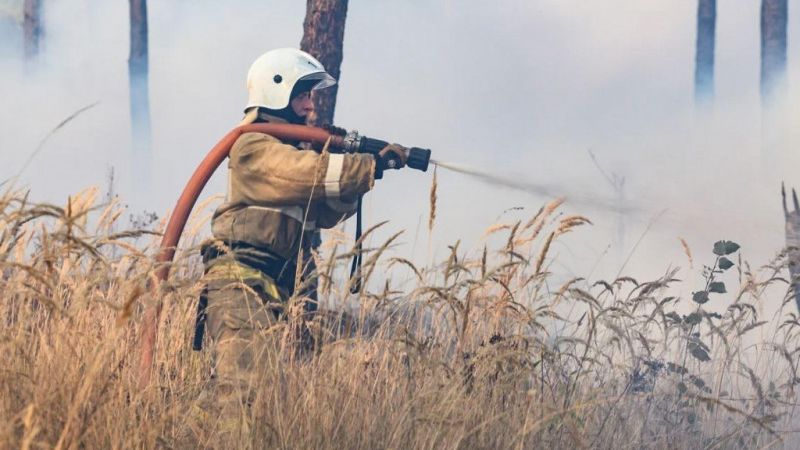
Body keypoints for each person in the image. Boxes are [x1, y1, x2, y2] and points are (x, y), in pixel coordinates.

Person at [199, 47, 407, 433]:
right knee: (243, 395)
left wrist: (369, 171)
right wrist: (367, 164)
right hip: (242, 284)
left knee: (264, 401)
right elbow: (303, 174)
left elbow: (324, 210)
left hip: (274, 288)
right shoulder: (253, 146)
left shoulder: (290, 152)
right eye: (303, 96)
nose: (311, 106)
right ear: (275, 91)